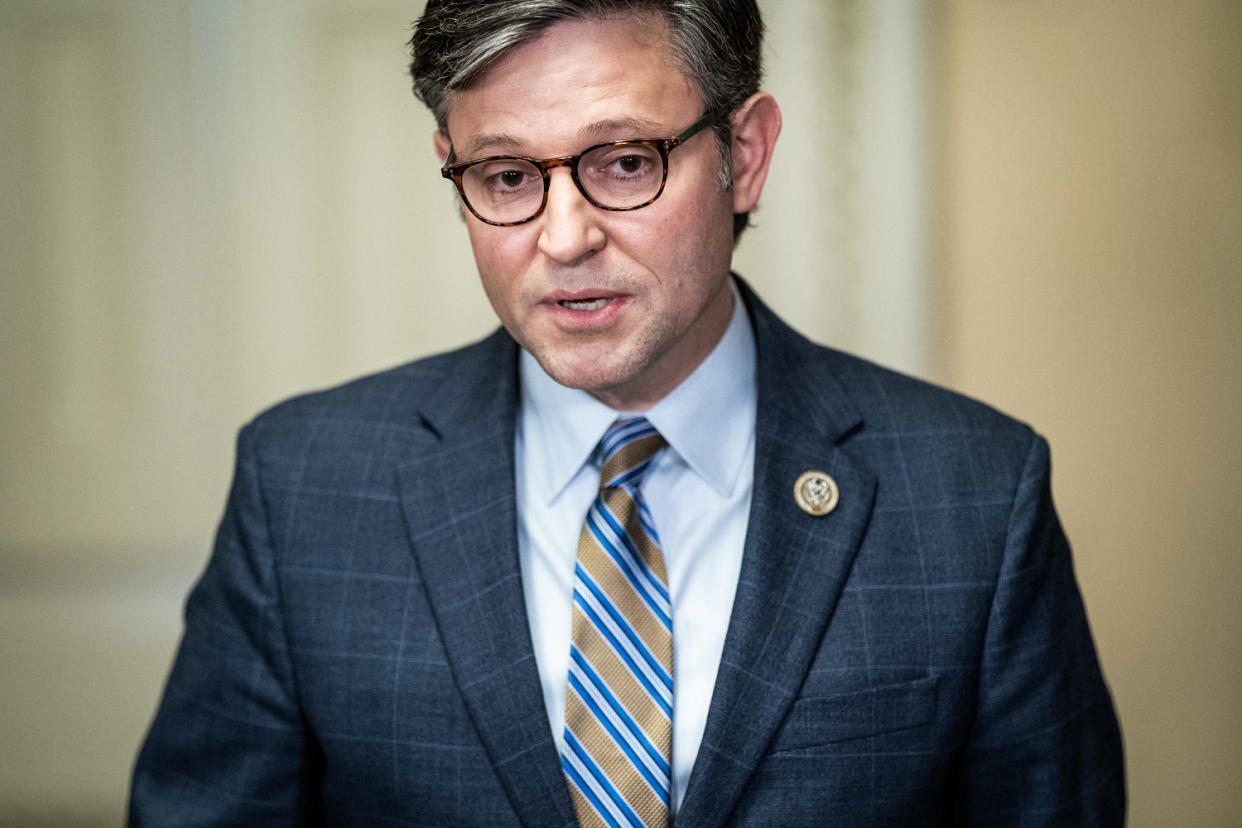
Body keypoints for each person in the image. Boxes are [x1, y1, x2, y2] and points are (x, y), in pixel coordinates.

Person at [129, 1, 1124, 825]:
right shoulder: (301, 480)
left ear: (747, 150)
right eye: (508, 176)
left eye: (623, 161)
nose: (564, 238)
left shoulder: (978, 493)